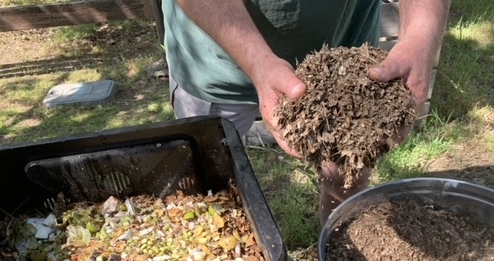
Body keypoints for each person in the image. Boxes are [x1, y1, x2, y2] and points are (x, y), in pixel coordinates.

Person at [162, 0, 451, 223]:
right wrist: (256, 62)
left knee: (346, 177)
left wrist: (420, 39)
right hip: (213, 59)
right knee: (207, 184)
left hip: (347, 59)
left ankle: (341, 255)